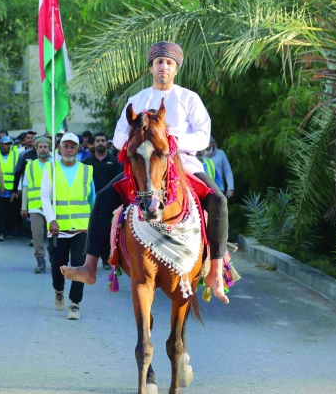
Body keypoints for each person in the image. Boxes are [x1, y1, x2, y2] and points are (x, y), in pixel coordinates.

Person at [61, 41, 230, 302]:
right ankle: (90, 266)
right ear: (151, 67)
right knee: (105, 198)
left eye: (169, 63)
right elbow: (118, 135)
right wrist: (138, 141)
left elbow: (203, 136)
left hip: (184, 165)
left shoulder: (189, 99)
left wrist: (170, 142)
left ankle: (216, 272)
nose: (164, 67)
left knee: (218, 200)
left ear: (176, 69)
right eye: (159, 62)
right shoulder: (137, 100)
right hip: (143, 166)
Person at [41, 133, 95, 320]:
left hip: (82, 228)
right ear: (59, 148)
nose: (69, 149)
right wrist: (51, 219)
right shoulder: (51, 169)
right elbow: (45, 197)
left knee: (79, 266)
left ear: (78, 149)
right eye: (66, 146)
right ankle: (58, 290)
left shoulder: (87, 170)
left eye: (73, 146)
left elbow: (92, 200)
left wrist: (95, 225)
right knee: (58, 266)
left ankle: (75, 304)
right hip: (59, 228)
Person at [82, 132, 122, 269]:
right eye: (97, 141)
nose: (100, 143)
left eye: (102, 140)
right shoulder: (86, 163)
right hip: (91, 201)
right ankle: (88, 259)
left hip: (110, 202)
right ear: (93, 144)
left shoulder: (115, 161)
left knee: (107, 229)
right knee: (92, 229)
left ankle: (106, 259)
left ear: (107, 143)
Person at [20, 136, 52, 273]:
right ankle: (40, 260)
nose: (43, 149)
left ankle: (55, 259)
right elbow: (25, 186)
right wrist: (23, 206)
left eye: (45, 147)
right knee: (37, 234)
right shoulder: (30, 165)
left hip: (53, 205)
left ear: (49, 148)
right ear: (36, 149)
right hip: (35, 205)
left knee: (53, 234)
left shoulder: (56, 164)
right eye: (40, 147)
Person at [0, 135, 18, 241]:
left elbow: (18, 173)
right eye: (5, 144)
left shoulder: (16, 155)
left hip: (12, 189)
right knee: (0, 212)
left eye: (9, 144)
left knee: (10, 212)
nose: (7, 146)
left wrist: (16, 189)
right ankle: (1, 232)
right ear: (0, 145)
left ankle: (9, 231)